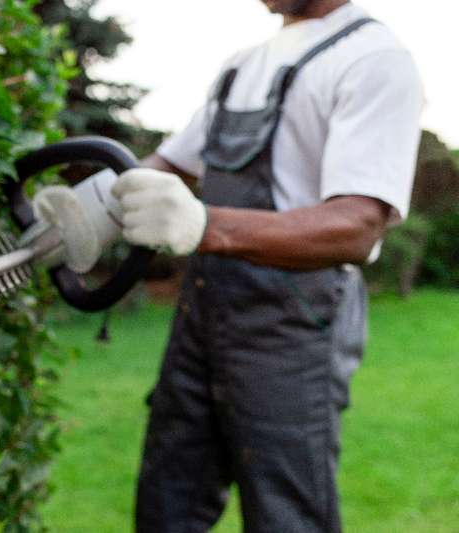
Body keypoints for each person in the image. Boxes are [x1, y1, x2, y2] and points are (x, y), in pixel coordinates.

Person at [36, 0, 423, 531]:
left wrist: (205, 226)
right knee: (167, 503)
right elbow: (173, 163)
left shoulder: (374, 58)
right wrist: (93, 204)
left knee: (287, 516)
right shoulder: (244, 62)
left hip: (292, 325)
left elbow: (358, 223)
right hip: (204, 310)